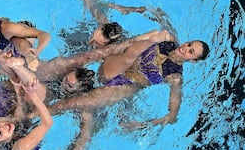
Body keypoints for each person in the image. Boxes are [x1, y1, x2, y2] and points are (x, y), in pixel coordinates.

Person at [46, 30, 210, 128]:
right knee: (72, 68)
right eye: (189, 44)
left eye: (191, 52)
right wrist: (129, 9)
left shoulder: (175, 77)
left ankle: (36, 114)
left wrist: (143, 125)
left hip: (124, 86)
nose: (185, 48)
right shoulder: (167, 39)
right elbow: (137, 37)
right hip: (117, 62)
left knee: (75, 103)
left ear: (193, 61)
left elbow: (172, 114)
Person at [51, 0, 146, 48]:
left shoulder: (117, 49)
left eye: (96, 43)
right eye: (93, 35)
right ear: (100, 26)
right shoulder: (102, 20)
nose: (90, 41)